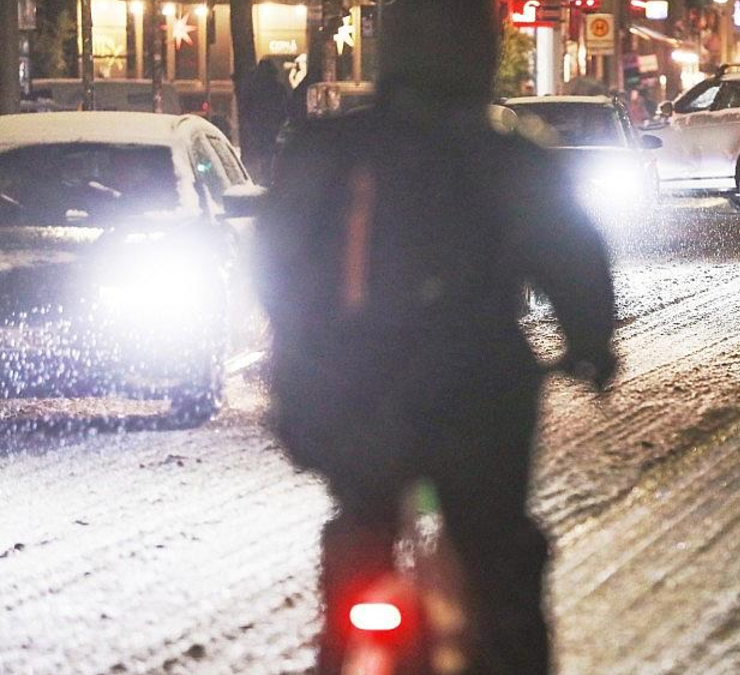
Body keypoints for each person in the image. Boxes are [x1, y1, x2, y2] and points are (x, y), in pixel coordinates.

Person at [255, 1, 618, 674]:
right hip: (477, 395)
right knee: (499, 560)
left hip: (355, 395)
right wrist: (591, 345)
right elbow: (573, 258)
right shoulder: (507, 155)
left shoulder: (330, 151)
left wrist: (300, 356)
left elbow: (277, 262)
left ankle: (340, 645)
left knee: (358, 531)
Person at [238, 59, 289, 184]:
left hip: (258, 126)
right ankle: (268, 175)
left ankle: (263, 176)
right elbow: (285, 108)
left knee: (262, 152)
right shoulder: (278, 88)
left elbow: (245, 108)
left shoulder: (254, 88)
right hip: (272, 126)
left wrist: (249, 122)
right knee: (270, 152)